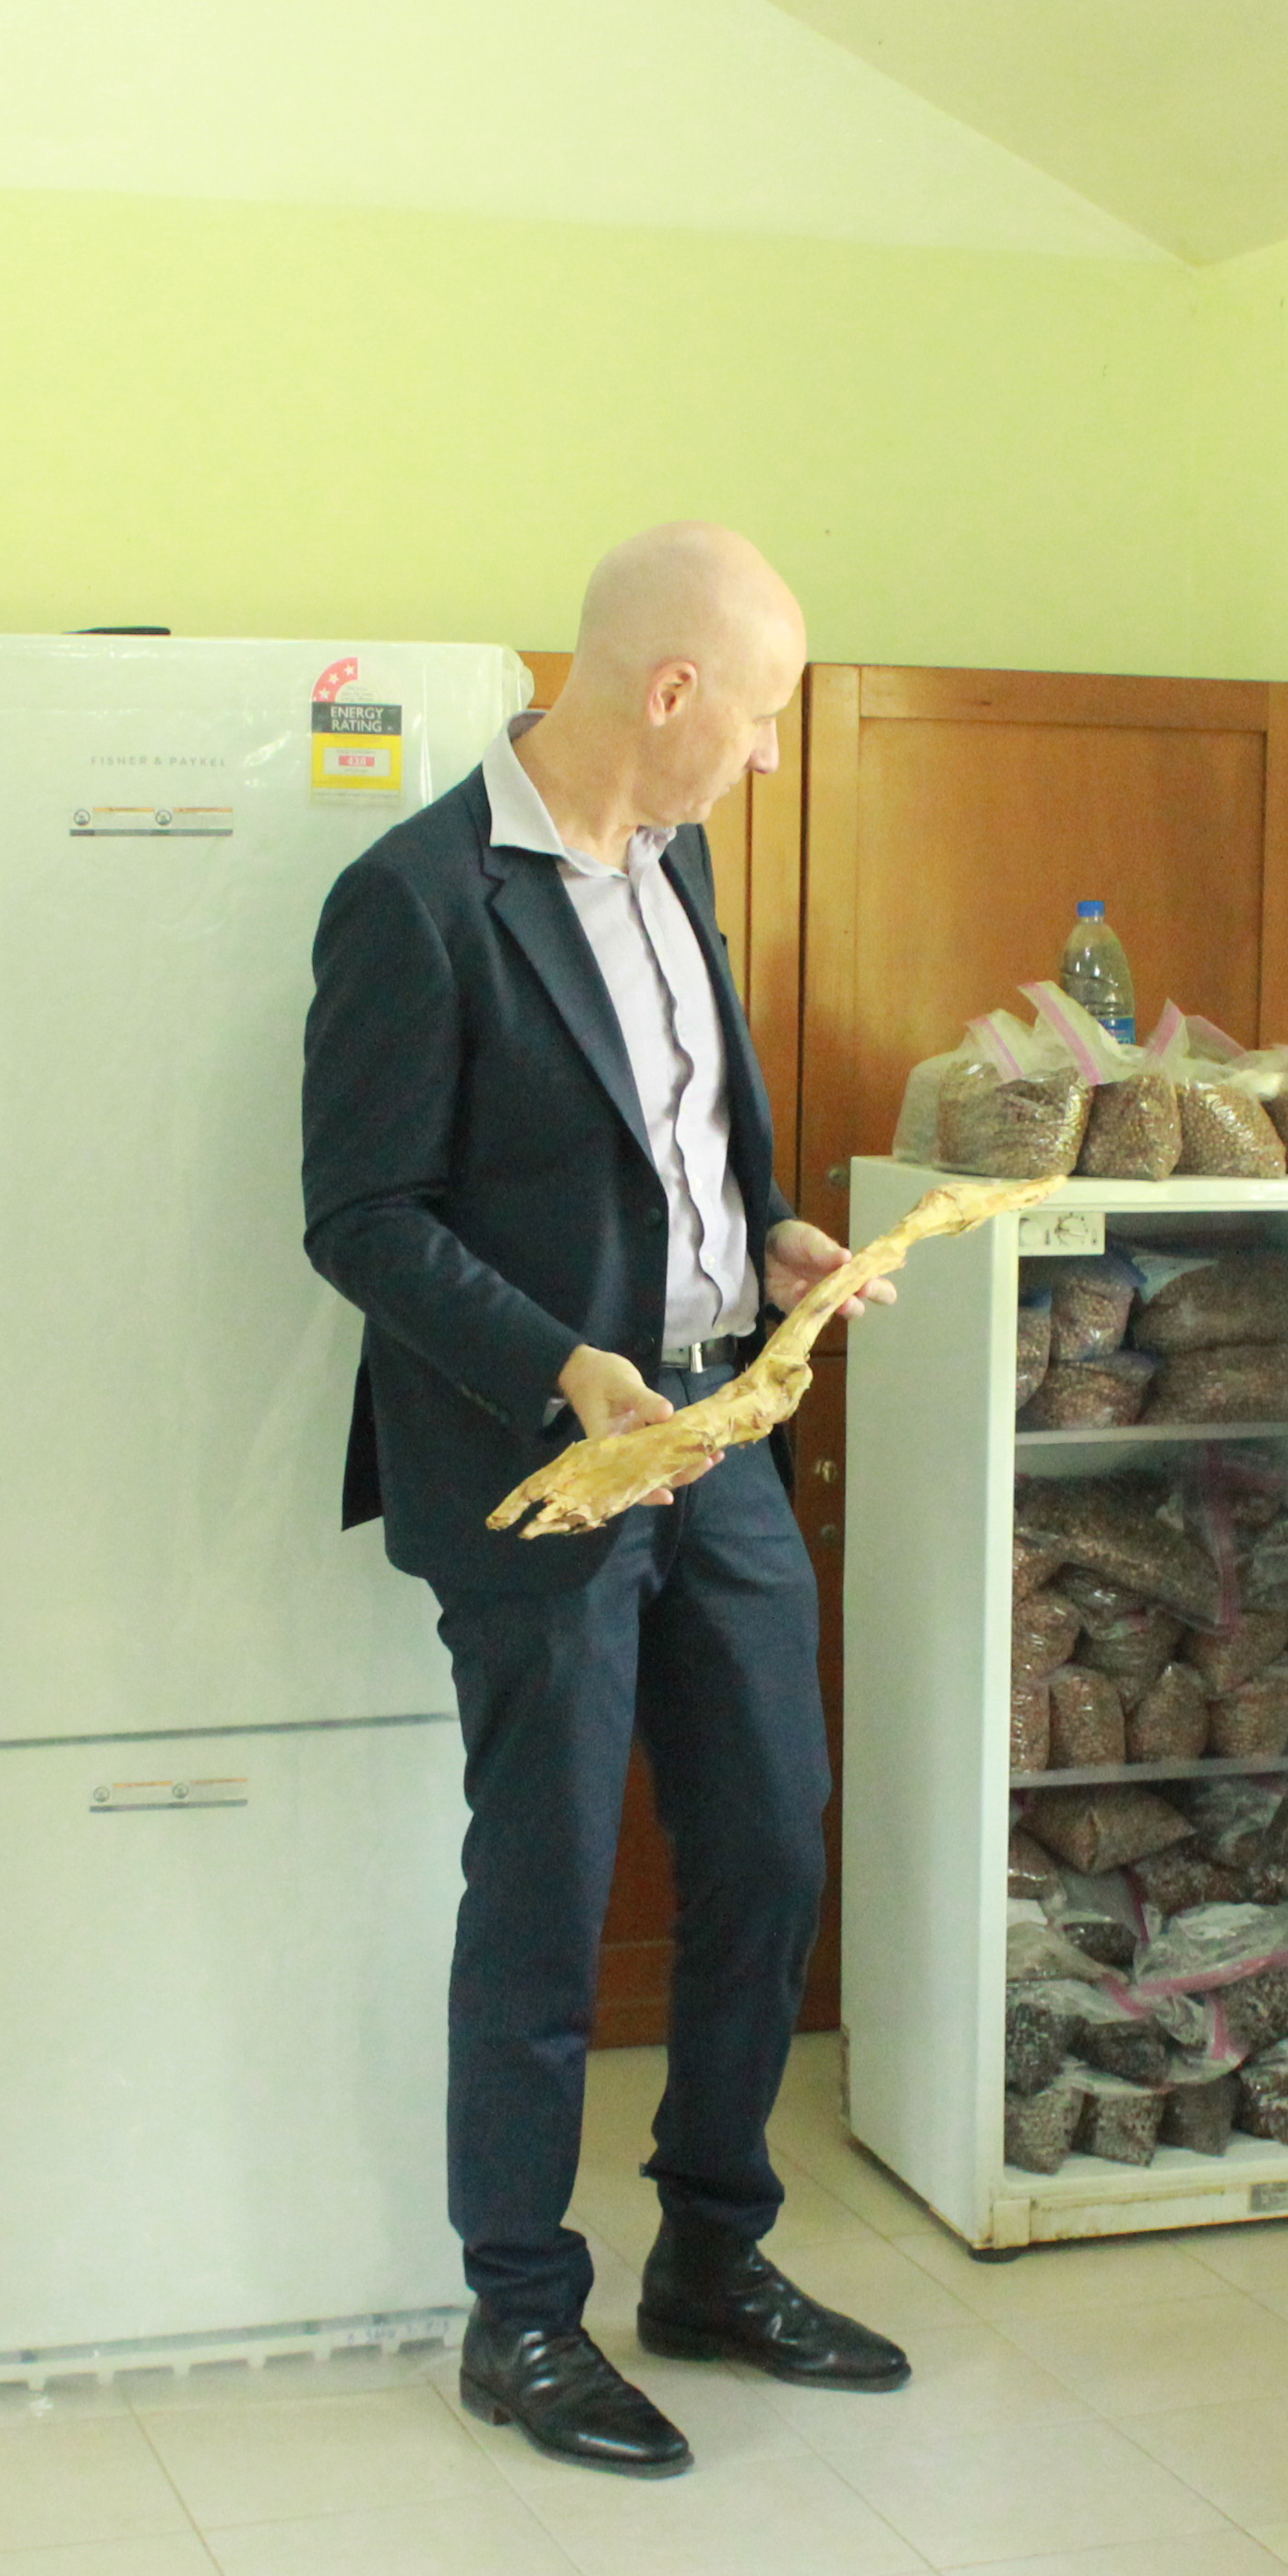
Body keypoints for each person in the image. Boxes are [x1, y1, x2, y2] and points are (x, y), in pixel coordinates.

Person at [301, 522, 910, 2477]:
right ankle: (522, 2315)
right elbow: (360, 1218)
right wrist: (560, 1363)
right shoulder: (415, 903)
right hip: (548, 1467)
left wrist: (780, 1237)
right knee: (552, 1894)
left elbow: (684, 1144)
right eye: (761, 711)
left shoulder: (682, 864)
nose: (768, 753)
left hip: (720, 1435)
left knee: (769, 1852)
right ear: (669, 693)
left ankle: (714, 2261)